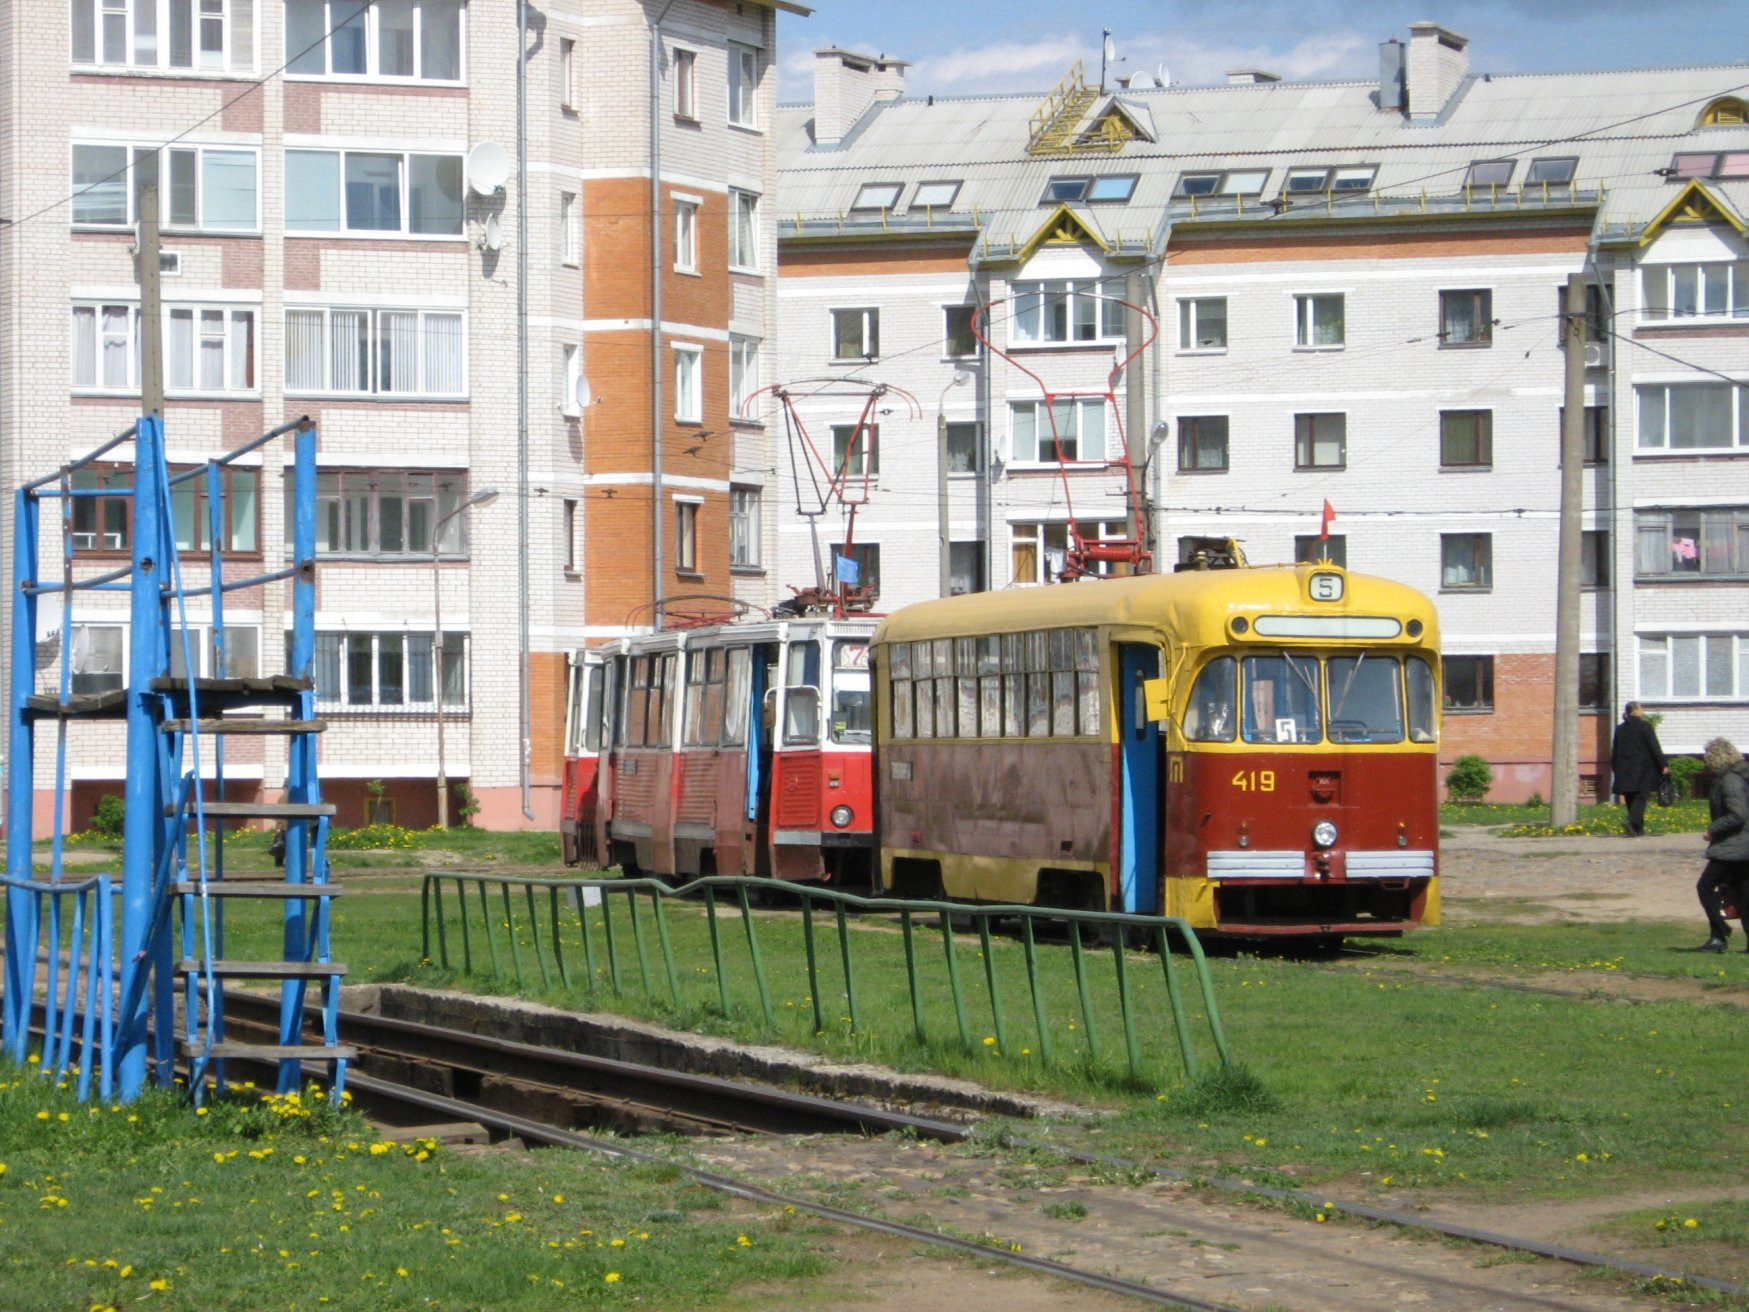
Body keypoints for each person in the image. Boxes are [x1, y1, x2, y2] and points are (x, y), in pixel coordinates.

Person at [1697, 737, 1749, 953]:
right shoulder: (1739, 776)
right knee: (1745, 893)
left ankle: (1719, 933)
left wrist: (1713, 829)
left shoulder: (1730, 781)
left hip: (1733, 846)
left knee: (1705, 886)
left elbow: (1737, 814)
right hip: (1743, 846)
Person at [1609, 702, 1668, 837]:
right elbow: (1654, 747)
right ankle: (1631, 821)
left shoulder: (1620, 729)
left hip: (1624, 768)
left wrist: (1614, 767)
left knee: (1630, 796)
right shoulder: (1645, 727)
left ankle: (1637, 829)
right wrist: (1663, 764)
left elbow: (1615, 750)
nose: (1642, 711)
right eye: (1641, 708)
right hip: (1643, 768)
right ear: (1635, 710)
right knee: (1641, 796)